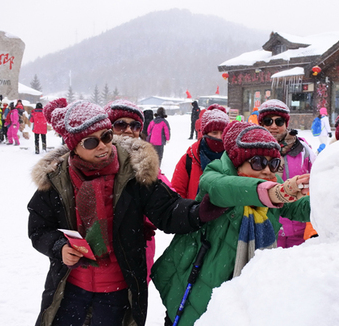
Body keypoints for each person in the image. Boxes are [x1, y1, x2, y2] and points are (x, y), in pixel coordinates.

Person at [27, 98, 225, 326]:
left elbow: (167, 210)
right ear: (74, 147)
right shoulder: (58, 179)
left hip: (117, 290)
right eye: (91, 142)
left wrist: (199, 211)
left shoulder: (132, 172)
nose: (102, 146)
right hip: (71, 288)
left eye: (106, 136)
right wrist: (58, 247)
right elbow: (39, 227)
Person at [152, 121, 311, 326]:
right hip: (197, 283)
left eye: (273, 164)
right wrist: (273, 192)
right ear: (237, 162)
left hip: (238, 291)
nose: (266, 171)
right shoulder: (215, 176)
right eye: (258, 162)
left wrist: (331, 199)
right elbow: (224, 189)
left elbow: (300, 207)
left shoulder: (274, 187)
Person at [104, 99, 166, 284]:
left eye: (135, 125)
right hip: (104, 247)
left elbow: (166, 195)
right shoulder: (97, 158)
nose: (129, 130)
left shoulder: (146, 162)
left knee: (135, 299)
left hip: (138, 243)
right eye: (120, 124)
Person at [258, 99, 317, 247]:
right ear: (260, 124)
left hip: (299, 227)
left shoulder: (303, 150)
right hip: (265, 226)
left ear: (286, 124)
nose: (273, 126)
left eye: (279, 121)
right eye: (267, 121)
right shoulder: (252, 152)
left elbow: (317, 182)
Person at [172, 104, 230, 199]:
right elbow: (176, 193)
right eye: (214, 133)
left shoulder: (234, 158)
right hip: (194, 211)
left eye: (223, 132)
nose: (219, 137)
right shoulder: (189, 159)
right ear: (205, 133)